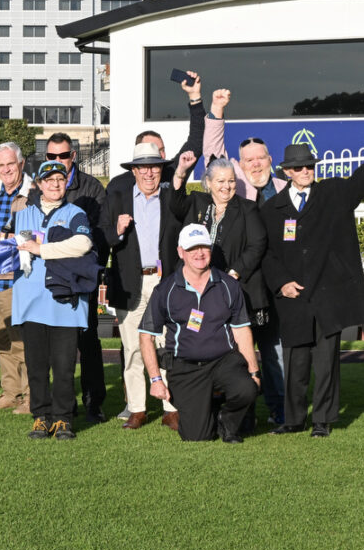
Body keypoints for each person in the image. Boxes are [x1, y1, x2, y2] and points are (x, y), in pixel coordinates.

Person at [262, 132, 364, 438]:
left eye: (310, 166)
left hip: (328, 295)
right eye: (299, 168)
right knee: (295, 363)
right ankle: (293, 420)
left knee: (327, 363)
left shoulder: (333, 193)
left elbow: (362, 179)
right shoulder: (271, 209)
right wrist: (281, 284)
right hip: (294, 298)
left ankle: (323, 421)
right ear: (287, 172)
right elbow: (268, 255)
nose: (306, 171)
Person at [201, 88, 288, 423]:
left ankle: (279, 410)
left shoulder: (284, 189)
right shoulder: (236, 183)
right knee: (239, 351)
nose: (255, 164)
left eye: (261, 158)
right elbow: (213, 153)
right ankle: (243, 411)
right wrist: (217, 111)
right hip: (244, 285)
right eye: (249, 159)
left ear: (270, 160)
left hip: (278, 285)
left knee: (275, 350)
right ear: (240, 165)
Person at [171, 151, 268, 433]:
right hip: (200, 294)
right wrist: (180, 172)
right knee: (206, 351)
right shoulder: (197, 204)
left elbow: (257, 245)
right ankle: (208, 415)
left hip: (234, 291)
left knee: (237, 357)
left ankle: (242, 419)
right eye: (221, 181)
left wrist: (233, 274)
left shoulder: (247, 209)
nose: (226, 187)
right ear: (209, 183)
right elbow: (174, 203)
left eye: (231, 182)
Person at [138, 224, 261, 443]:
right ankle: (209, 409)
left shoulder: (228, 285)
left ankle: (228, 422)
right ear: (180, 252)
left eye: (204, 246)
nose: (199, 253)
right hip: (185, 368)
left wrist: (253, 372)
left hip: (224, 361)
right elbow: (146, 335)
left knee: (247, 389)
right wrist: (156, 379)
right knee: (197, 437)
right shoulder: (165, 290)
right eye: (192, 248)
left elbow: (241, 330)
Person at [7, 160, 94, 440]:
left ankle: (63, 419)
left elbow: (83, 244)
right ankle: (41, 417)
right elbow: (4, 241)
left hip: (65, 303)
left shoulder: (75, 213)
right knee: (36, 366)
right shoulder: (22, 215)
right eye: (49, 180)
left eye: (60, 179)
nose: (55, 184)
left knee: (64, 365)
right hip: (31, 302)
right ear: (39, 185)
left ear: (66, 182)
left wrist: (41, 249)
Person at [100, 141, 181, 431]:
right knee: (132, 347)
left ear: (161, 169)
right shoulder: (117, 198)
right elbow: (101, 237)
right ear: (133, 170)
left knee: (166, 346)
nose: (149, 173)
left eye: (155, 167)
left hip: (165, 282)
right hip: (130, 283)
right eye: (143, 167)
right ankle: (137, 408)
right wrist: (118, 231)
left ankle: (171, 408)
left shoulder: (173, 199)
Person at [44, 133, 108, 423]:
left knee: (88, 341)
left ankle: (94, 403)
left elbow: (95, 238)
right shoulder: (40, 188)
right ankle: (56, 404)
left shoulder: (92, 188)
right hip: (51, 278)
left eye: (64, 156)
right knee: (55, 343)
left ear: (74, 156)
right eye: (52, 157)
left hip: (82, 278)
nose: (58, 161)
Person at [0, 142, 33, 413]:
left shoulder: (32, 194)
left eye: (11, 164)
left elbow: (40, 234)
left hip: (19, 277)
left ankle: (32, 395)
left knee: (21, 339)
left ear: (21, 164)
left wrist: (17, 237)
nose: (7, 169)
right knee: (1, 340)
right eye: (1, 165)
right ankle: (10, 392)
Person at [106, 70, 207, 196]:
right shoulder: (118, 186)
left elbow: (198, 140)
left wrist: (194, 96)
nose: (161, 155)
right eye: (154, 149)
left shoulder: (174, 172)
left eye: (162, 149)